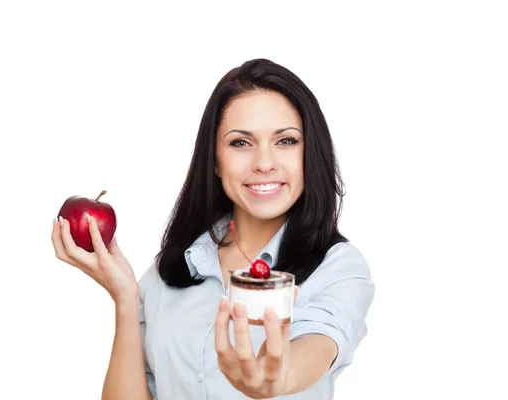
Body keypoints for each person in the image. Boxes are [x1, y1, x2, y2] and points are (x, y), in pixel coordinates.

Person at [51, 58, 375, 399]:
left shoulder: (338, 267)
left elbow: (322, 339)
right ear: (215, 161)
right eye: (240, 143)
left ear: (310, 153)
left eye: (286, 141)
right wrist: (125, 299)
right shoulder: (172, 270)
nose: (264, 163)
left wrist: (279, 377)